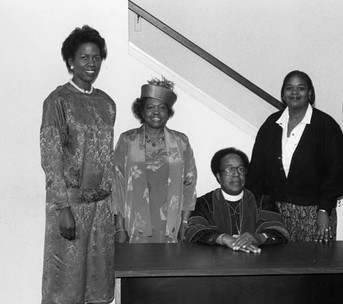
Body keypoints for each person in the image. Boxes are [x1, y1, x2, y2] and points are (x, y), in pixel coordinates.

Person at [40, 25, 115, 304]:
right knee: (66, 286)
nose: (91, 63)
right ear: (70, 61)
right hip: (69, 204)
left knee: (97, 281)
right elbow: (51, 158)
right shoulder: (57, 101)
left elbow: (106, 159)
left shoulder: (107, 103)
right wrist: (63, 209)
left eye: (96, 57)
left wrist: (112, 207)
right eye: (84, 57)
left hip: (101, 209)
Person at [246, 71, 343, 243]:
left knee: (313, 266)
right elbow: (256, 170)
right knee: (277, 267)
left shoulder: (326, 126)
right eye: (289, 88)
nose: (294, 92)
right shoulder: (271, 124)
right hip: (274, 214)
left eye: (301, 88)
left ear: (310, 93)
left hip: (314, 214)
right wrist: (252, 209)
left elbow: (335, 174)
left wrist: (324, 210)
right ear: (283, 93)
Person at [113, 77, 197, 244]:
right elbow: (117, 186)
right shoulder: (127, 140)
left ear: (168, 112)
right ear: (142, 111)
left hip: (171, 223)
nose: (156, 112)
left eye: (162, 107)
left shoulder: (181, 142)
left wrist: (185, 223)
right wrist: (119, 228)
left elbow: (189, 184)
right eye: (150, 107)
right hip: (134, 223)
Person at [185, 148, 288, 253]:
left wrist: (259, 237)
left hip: (257, 262)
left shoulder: (263, 202)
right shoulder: (203, 203)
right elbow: (193, 231)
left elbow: (279, 231)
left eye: (241, 169)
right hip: (217, 263)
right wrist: (222, 238)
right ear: (218, 176)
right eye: (229, 170)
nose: (236, 174)